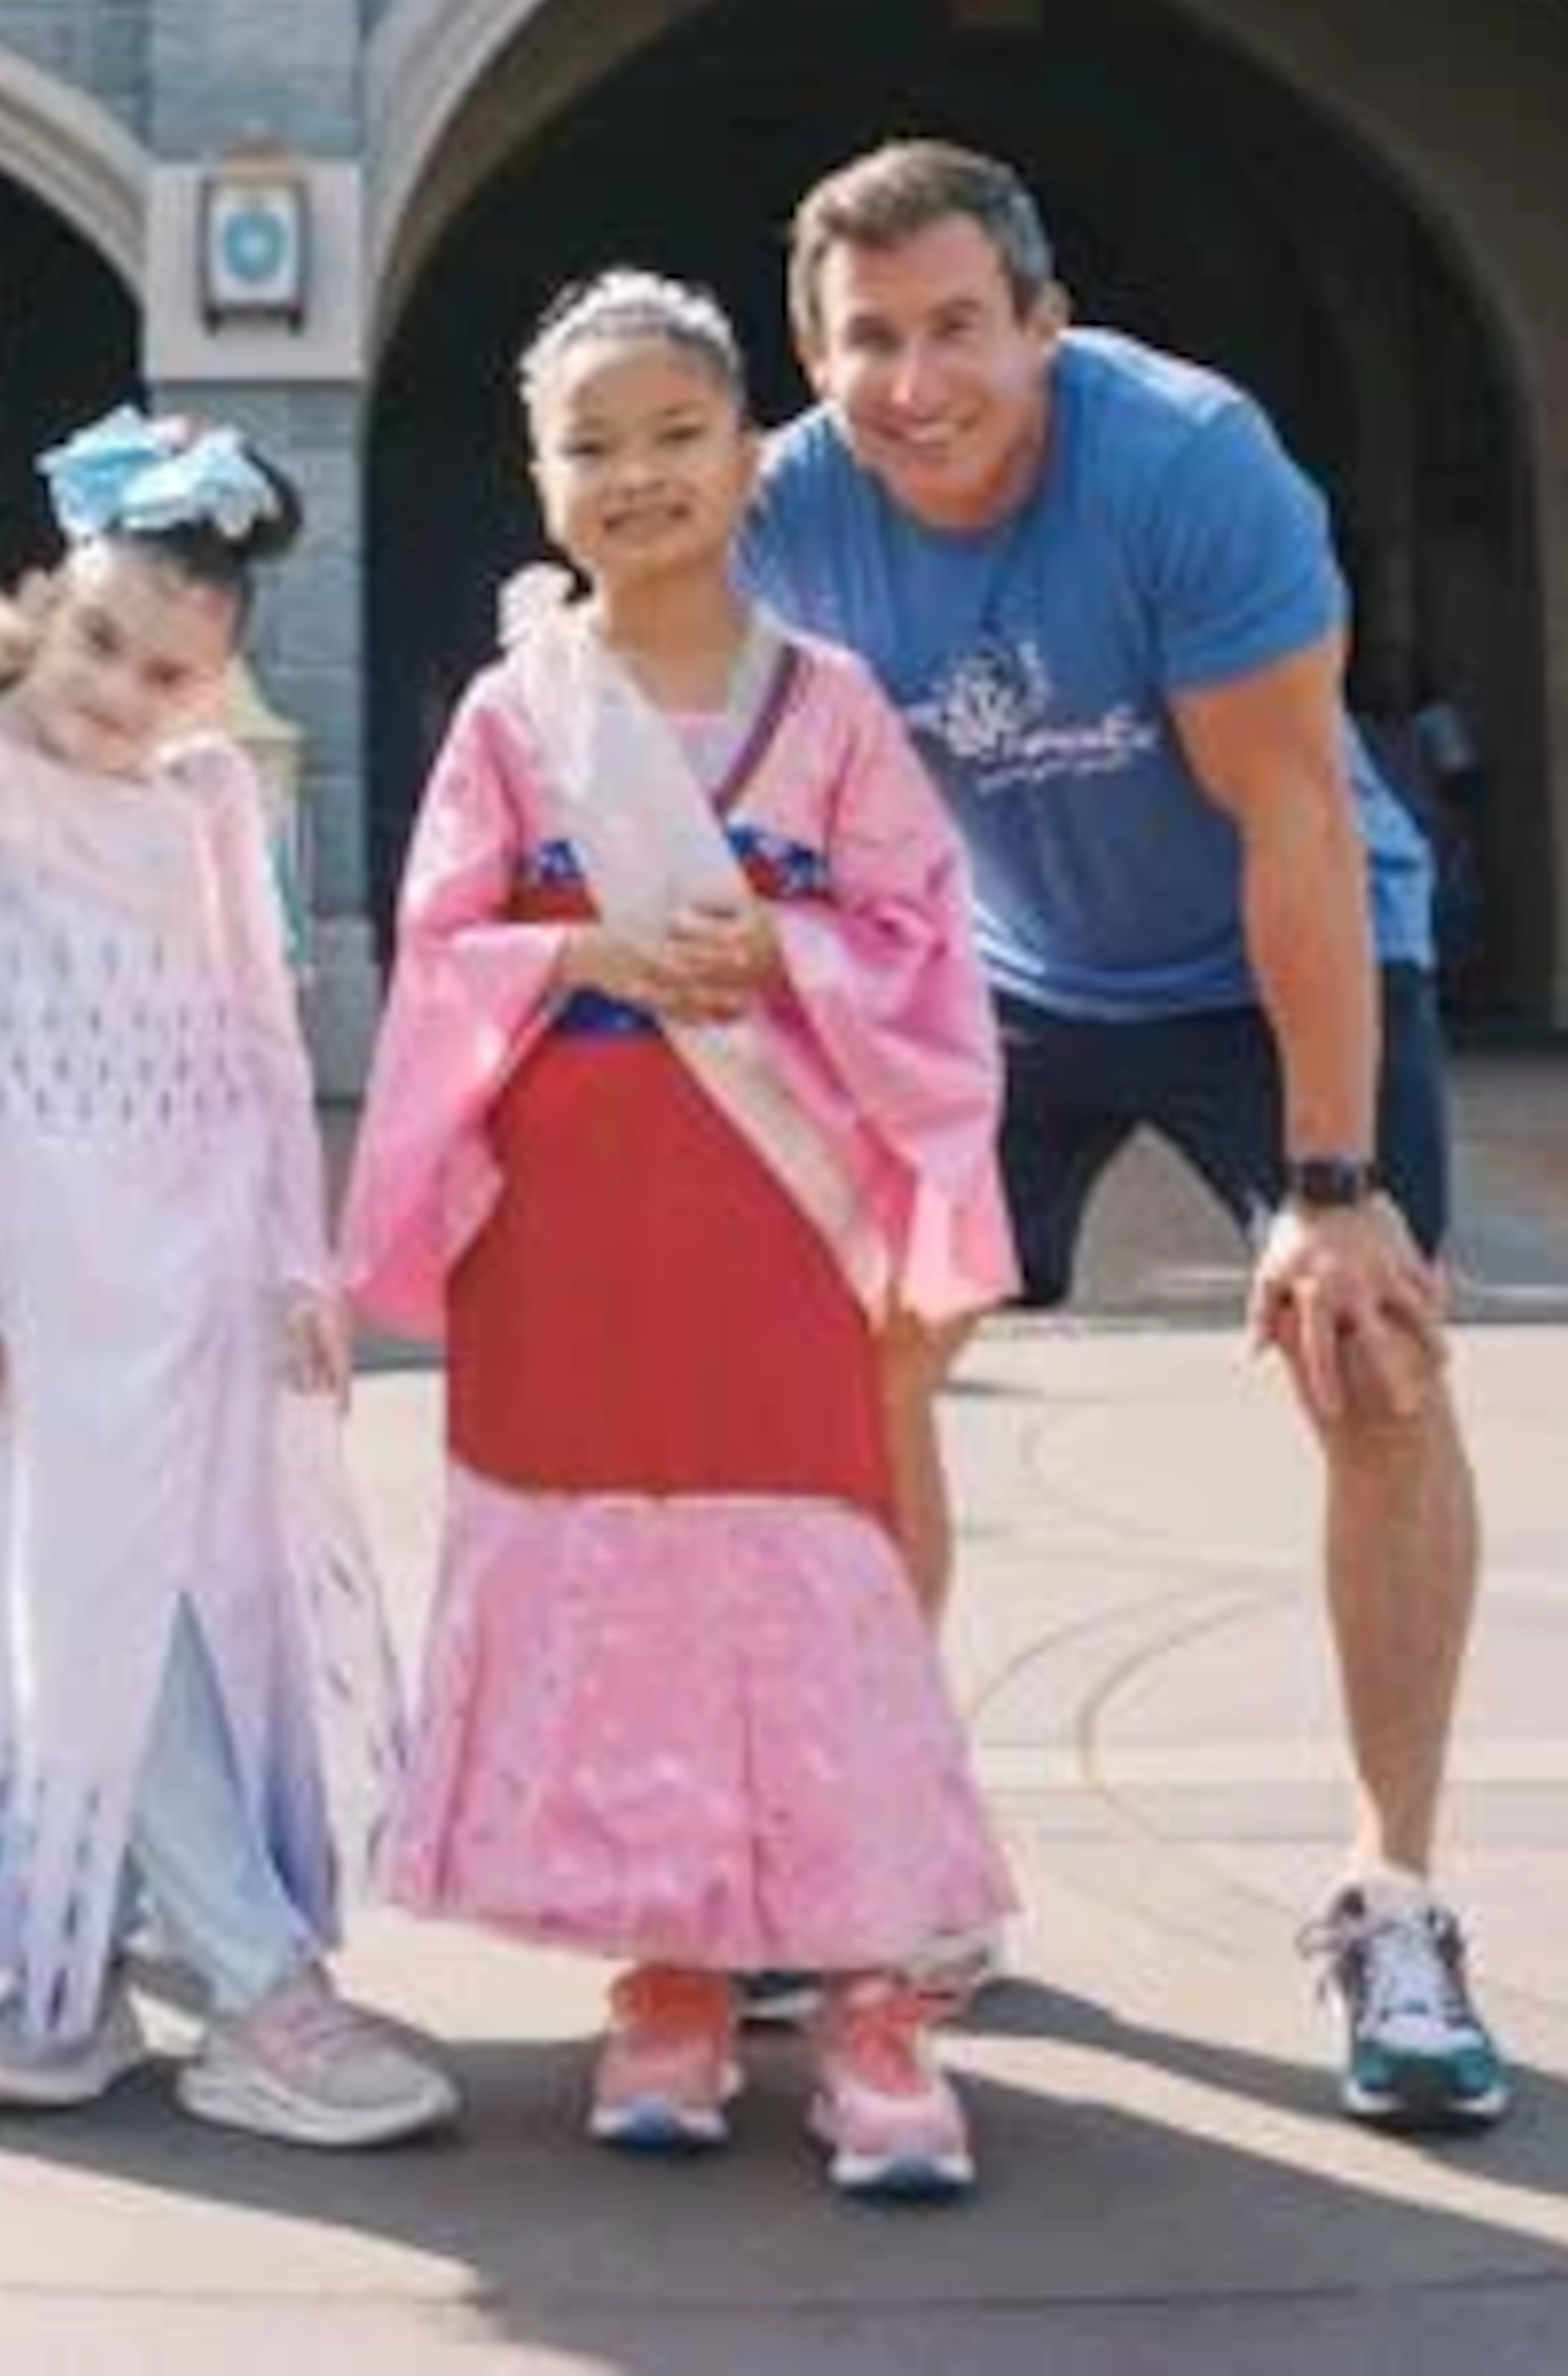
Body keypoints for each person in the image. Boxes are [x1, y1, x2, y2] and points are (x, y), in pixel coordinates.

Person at [741, 139, 1509, 2135]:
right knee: (864, 1350)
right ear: (816, 359)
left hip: (1278, 953)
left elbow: (1298, 823)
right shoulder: (790, 503)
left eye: (958, 328)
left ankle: (1398, 1904)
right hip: (1011, 970)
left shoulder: (1187, 466)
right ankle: (905, 1852)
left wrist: (1329, 1188)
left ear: (1046, 323)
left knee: (1374, 1363)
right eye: (870, 340)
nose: (918, 382)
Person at [343, 272, 1017, 2201]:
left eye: (675, 434)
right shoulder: (515, 713)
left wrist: (781, 948)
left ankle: (874, 1990)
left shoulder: (835, 707)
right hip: (570, 1222)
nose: (636, 473)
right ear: (540, 477)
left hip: (770, 1214)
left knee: (812, 1570)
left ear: (748, 454)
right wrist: (586, 954)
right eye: (592, 444)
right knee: (611, 1580)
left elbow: (924, 941)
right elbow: (438, 948)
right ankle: (668, 1969)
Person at [0, 405, 457, 2150]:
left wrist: (297, 1257)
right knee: (94, 1608)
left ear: (213, 687)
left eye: (168, 673)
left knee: (186, 1598)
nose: (119, 691)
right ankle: (249, 1987)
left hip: (200, 1259)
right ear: (44, 598)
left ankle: (71, 1966)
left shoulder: (209, 802)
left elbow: (263, 1039)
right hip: (46, 1272)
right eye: (99, 640)